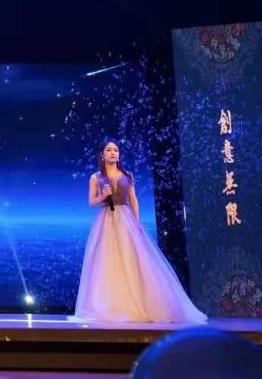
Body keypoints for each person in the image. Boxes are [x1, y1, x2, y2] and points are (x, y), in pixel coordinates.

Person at [75, 138, 207, 323]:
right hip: (106, 220)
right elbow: (91, 202)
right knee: (107, 260)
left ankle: (142, 302)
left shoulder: (127, 174)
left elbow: (133, 199)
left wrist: (136, 222)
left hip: (126, 219)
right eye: (109, 150)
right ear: (102, 155)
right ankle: (111, 305)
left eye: (116, 150)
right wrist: (102, 196)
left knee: (132, 259)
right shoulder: (96, 177)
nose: (113, 153)